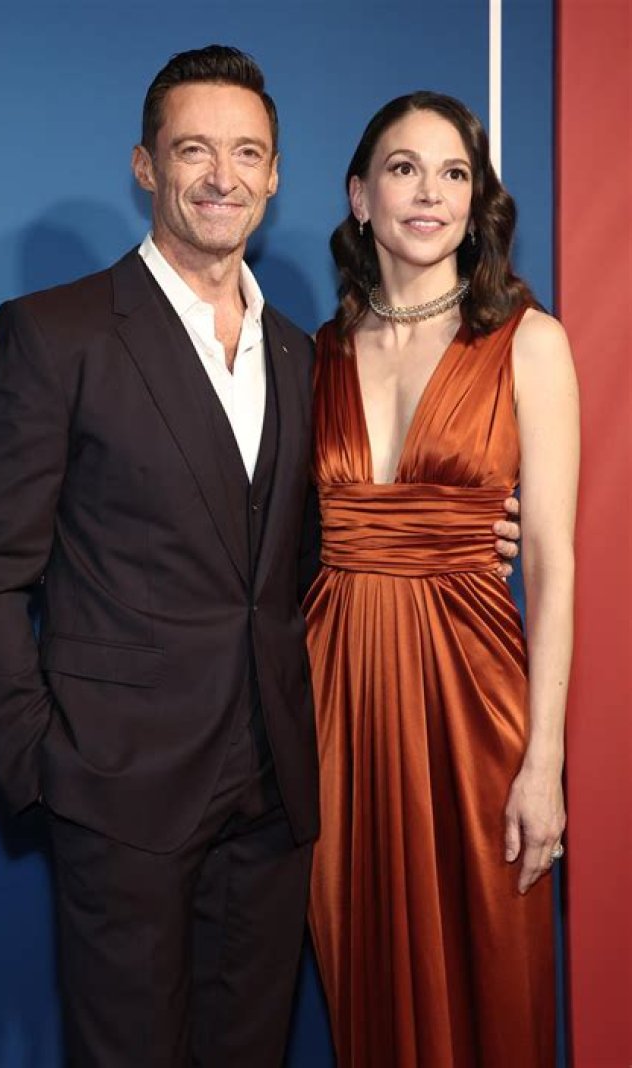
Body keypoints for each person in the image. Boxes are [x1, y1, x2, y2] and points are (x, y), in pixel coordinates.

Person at [0, 49, 521, 1066]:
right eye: (194, 151)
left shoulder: (305, 353)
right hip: (119, 794)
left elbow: (312, 548)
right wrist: (45, 767)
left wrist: (453, 527)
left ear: (277, 175)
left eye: (248, 153)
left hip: (272, 795)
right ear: (145, 165)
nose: (223, 176)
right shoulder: (58, 332)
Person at [304, 91, 578, 1067]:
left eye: (454, 172)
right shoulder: (314, 355)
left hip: (475, 699)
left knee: (493, 969)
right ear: (360, 196)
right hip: (336, 701)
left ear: (477, 202)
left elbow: (550, 559)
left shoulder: (529, 343)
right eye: (404, 169)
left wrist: (543, 762)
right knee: (361, 963)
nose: (430, 193)